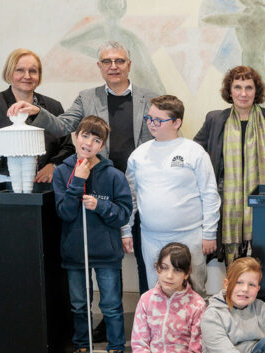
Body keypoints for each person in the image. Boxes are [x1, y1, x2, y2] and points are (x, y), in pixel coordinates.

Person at [9, 40, 158, 327]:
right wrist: (36, 112)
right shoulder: (86, 97)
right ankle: (103, 325)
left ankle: (147, 323)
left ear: (129, 64)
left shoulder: (149, 98)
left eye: (119, 61)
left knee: (145, 257)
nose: (113, 66)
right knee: (102, 261)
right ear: (99, 66)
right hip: (99, 185)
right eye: (106, 61)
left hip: (142, 187)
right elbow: (64, 126)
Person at [52, 115, 132, 353]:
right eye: (85, 136)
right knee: (78, 306)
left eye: (97, 139)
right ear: (75, 137)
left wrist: (101, 206)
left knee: (110, 306)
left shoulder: (113, 175)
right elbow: (64, 212)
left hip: (107, 254)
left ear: (102, 145)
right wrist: (78, 181)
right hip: (76, 255)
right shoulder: (63, 172)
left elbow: (123, 215)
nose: (89, 142)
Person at [123, 95, 220, 296]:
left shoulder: (194, 152)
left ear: (177, 122)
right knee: (156, 293)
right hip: (151, 237)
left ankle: (197, 328)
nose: (152, 124)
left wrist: (209, 233)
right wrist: (126, 230)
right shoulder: (139, 155)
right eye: (149, 118)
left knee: (194, 292)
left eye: (159, 120)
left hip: (189, 236)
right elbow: (130, 196)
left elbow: (209, 194)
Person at [194, 65, 265, 265]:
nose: (243, 93)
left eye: (249, 87)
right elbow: (195, 153)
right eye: (237, 87)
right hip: (228, 202)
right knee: (236, 266)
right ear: (229, 91)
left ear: (257, 91)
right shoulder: (215, 119)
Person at [0, 48, 74, 186]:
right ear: (9, 73)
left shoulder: (53, 106)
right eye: (19, 70)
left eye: (33, 71)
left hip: (46, 185)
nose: (27, 76)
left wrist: (53, 166)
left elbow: (67, 147)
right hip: (3, 186)